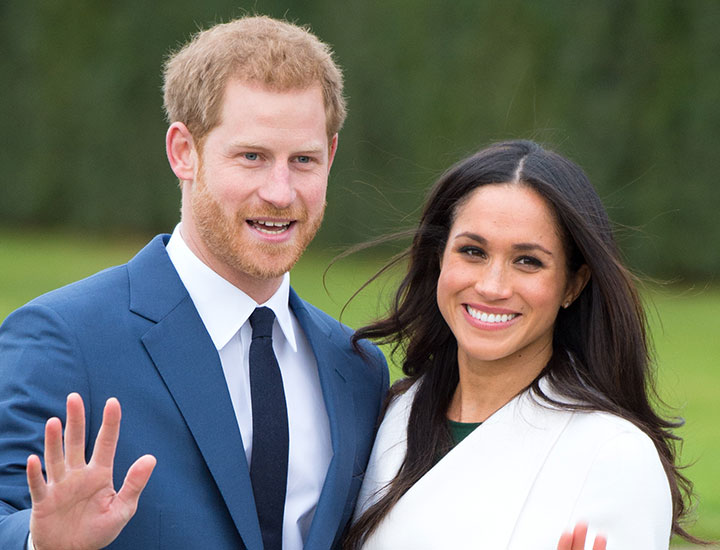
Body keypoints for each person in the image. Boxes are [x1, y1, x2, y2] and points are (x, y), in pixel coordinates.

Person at [0, 16, 388, 550]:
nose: (280, 192)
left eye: (303, 160)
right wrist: (38, 543)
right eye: (252, 156)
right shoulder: (63, 339)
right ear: (184, 151)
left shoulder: (358, 368)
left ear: (332, 157)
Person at [344, 140, 699, 549]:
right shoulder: (389, 414)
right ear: (440, 258)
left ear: (573, 283)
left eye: (528, 261)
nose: (492, 286)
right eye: (472, 251)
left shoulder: (612, 454)